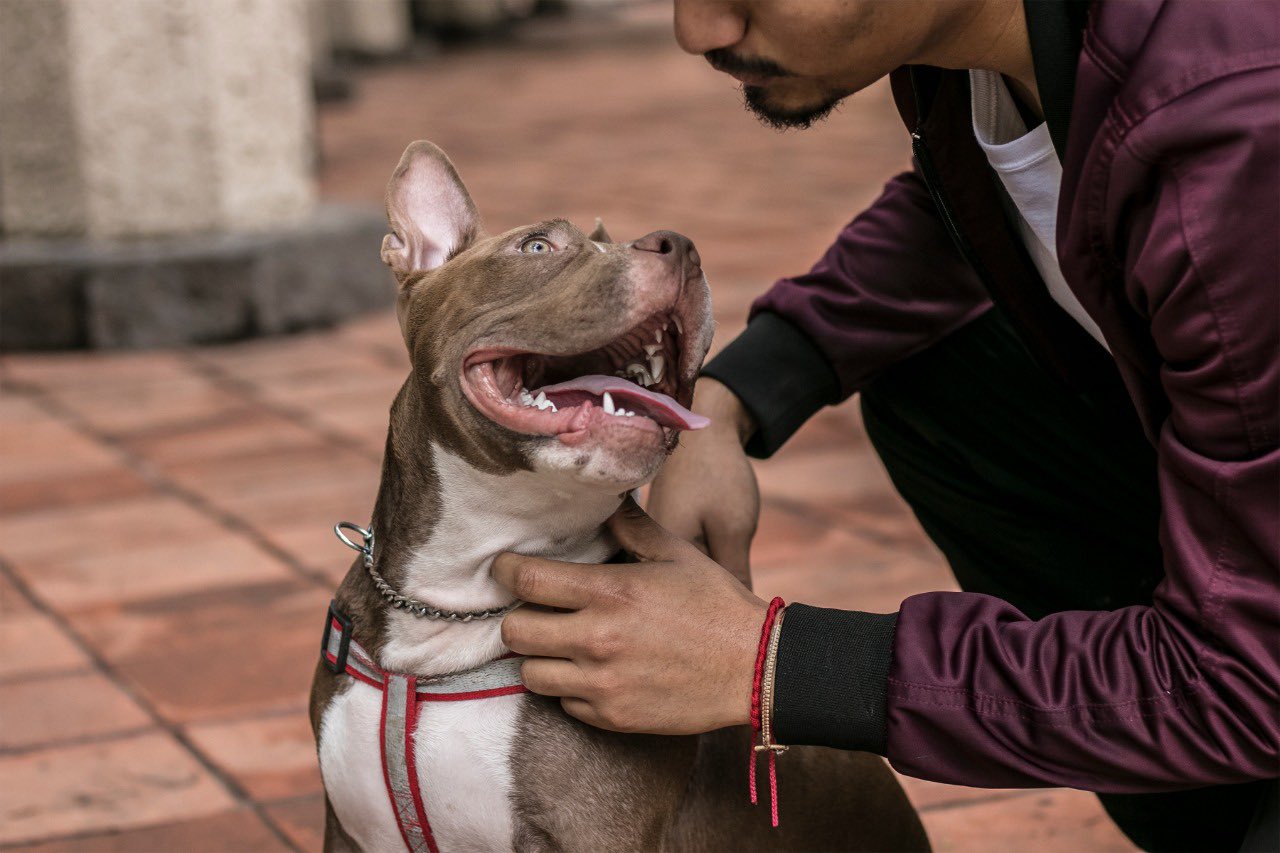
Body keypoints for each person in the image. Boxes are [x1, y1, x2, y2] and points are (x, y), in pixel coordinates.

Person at [491, 2, 1279, 849]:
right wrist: (729, 397)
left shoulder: (1232, 133)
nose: (701, 29)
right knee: (947, 383)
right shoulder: (1000, 55)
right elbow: (1002, 201)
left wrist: (777, 664)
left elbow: (1247, 674)